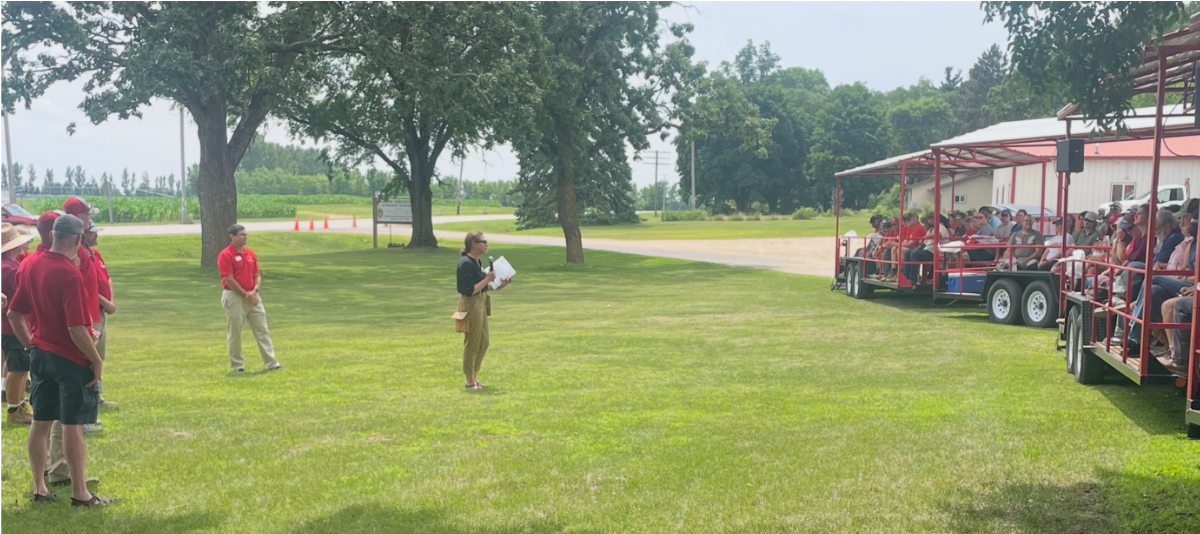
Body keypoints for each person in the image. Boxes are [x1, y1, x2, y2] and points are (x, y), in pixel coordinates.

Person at [7, 214, 116, 506]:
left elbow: (14, 313)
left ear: (53, 235)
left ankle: (39, 487)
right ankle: (80, 492)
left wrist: (30, 344)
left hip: (41, 355)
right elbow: (76, 328)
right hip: (68, 357)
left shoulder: (29, 263)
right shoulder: (69, 273)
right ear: (77, 239)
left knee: (40, 422)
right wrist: (96, 360)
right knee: (73, 424)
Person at [218, 225, 283, 372]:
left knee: (262, 330)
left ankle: (272, 363)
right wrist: (246, 295)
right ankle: (237, 366)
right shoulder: (225, 255)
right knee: (235, 333)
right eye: (241, 235)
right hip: (234, 297)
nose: (245, 237)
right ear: (232, 237)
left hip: (253, 296)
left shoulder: (250, 254)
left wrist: (255, 291)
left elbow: (257, 275)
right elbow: (229, 280)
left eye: (246, 234)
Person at [456, 231, 511, 389]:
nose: (486, 244)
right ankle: (469, 380)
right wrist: (487, 279)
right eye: (483, 242)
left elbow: (482, 288)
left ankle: (474, 376)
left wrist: (500, 286)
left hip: (480, 303)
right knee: (472, 343)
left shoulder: (477, 262)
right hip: (470, 305)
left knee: (484, 342)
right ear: (473, 244)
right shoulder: (466, 263)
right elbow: (467, 289)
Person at [1, 223, 35, 424]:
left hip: (7, 324)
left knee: (19, 367)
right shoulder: (10, 268)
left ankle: (19, 404)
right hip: (12, 325)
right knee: (18, 368)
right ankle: (15, 410)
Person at [83, 221, 116, 406]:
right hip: (90, 311)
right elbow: (85, 286)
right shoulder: (81, 256)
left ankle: (97, 393)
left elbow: (107, 278)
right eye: (91, 233)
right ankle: (88, 394)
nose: (95, 236)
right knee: (90, 354)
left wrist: (110, 302)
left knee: (99, 354)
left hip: (101, 311)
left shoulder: (95, 254)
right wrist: (104, 302)